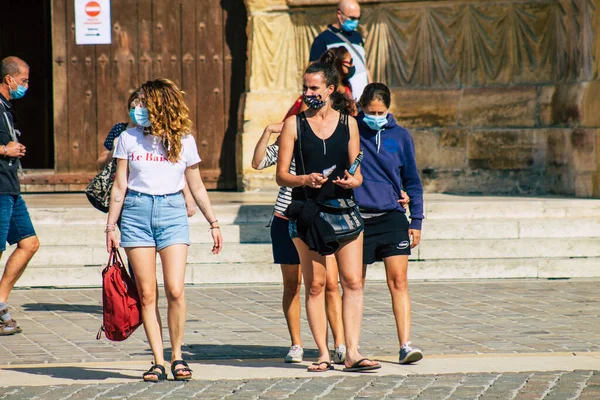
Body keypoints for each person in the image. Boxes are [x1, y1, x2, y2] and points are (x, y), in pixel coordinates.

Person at [105, 79, 223, 382]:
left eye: (143, 102)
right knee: (146, 293)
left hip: (172, 212)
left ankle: (178, 356)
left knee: (175, 289)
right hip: (135, 213)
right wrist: (110, 226)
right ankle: (157, 360)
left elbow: (195, 184)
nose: (136, 108)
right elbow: (119, 185)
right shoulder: (128, 139)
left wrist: (213, 222)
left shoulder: (184, 140)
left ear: (160, 105)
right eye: (136, 103)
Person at [276, 61, 380, 373]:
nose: (308, 93)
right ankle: (322, 352)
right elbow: (281, 176)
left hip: (344, 210)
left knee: (352, 282)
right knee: (317, 285)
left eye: (314, 88)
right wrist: (305, 179)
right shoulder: (294, 125)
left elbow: (357, 171)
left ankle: (351, 351)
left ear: (330, 89)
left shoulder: (349, 123)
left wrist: (353, 180)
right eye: (305, 87)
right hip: (308, 212)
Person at [252, 122, 348, 365]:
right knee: (292, 285)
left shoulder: (322, 144)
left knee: (329, 283)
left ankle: (339, 343)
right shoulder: (285, 145)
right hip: (285, 217)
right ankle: (296, 344)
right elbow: (258, 162)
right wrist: (267, 131)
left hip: (319, 217)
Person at [354, 83, 424, 364]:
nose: (376, 116)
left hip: (392, 217)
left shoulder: (401, 137)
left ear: (389, 110)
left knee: (399, 281)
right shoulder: (351, 131)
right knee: (354, 284)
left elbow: (412, 182)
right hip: (357, 217)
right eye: (370, 112)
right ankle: (349, 345)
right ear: (361, 109)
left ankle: (405, 344)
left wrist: (416, 220)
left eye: (381, 112)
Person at [96, 90, 197, 218]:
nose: (136, 110)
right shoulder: (121, 131)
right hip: (126, 195)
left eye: (141, 106)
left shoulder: (160, 134)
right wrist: (114, 152)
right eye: (133, 107)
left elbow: (174, 167)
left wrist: (188, 195)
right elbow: (100, 163)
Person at [0, 57, 39, 336]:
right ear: (8, 79)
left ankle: (0, 302)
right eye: (23, 81)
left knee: (30, 243)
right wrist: (5, 150)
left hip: (11, 186)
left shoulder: (7, 108)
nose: (25, 86)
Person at [309, 0, 369, 100]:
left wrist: (370, 89)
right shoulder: (323, 39)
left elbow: (364, 67)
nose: (356, 22)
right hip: (339, 98)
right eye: (352, 18)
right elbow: (313, 72)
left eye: (358, 18)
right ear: (339, 14)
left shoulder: (358, 37)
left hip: (362, 97)